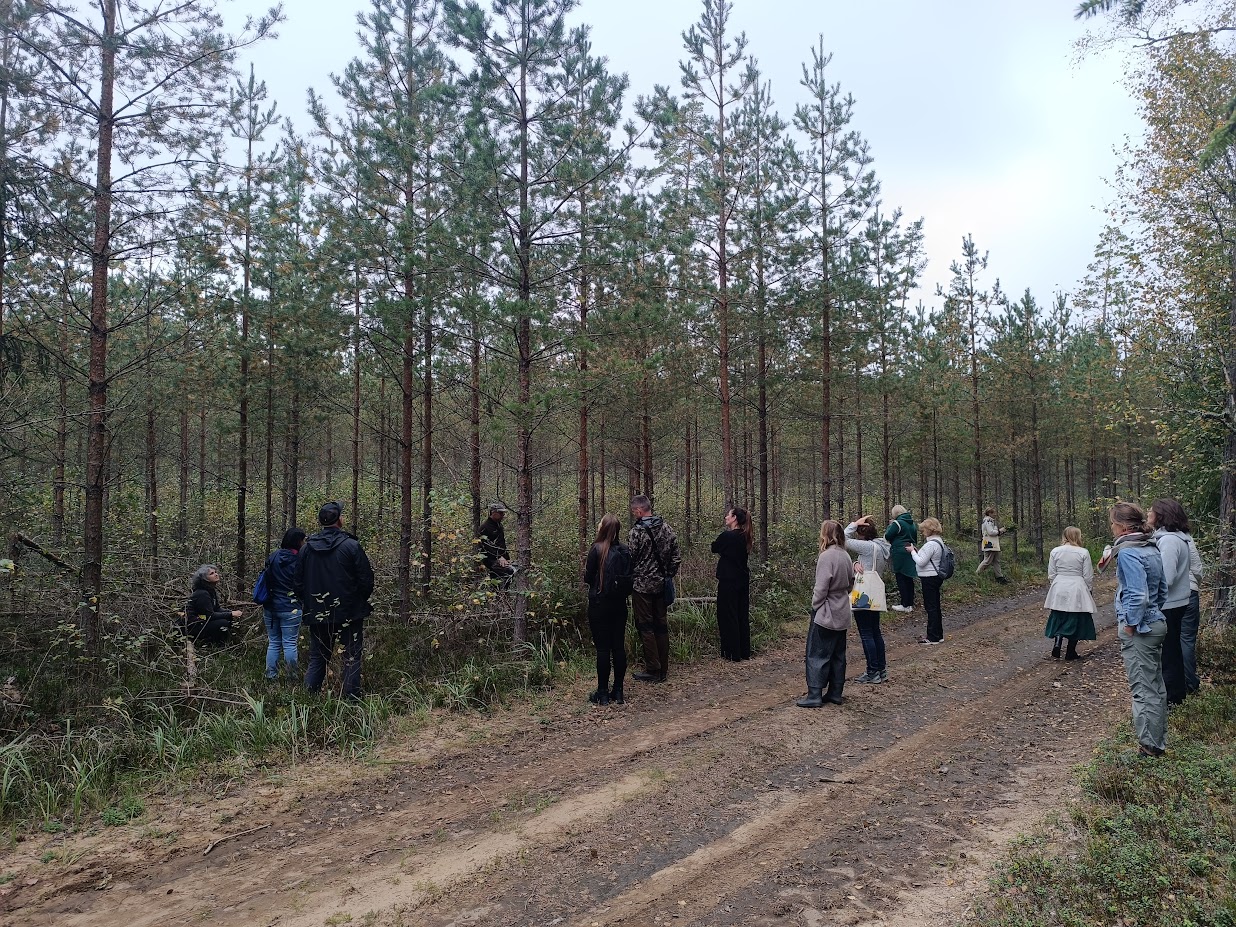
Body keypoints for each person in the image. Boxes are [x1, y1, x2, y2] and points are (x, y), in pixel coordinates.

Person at [296, 501, 374, 700]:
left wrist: (310, 605)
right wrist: (357, 602)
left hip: (318, 613)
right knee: (351, 656)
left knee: (318, 657)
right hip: (349, 613)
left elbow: (297, 582)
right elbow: (365, 579)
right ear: (339, 520)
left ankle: (308, 701)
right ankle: (351, 701)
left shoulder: (306, 549)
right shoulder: (351, 545)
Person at [1109, 501, 1169, 757]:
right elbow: (1162, 589)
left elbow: (1137, 594)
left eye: (1113, 523)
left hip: (1142, 629)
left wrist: (1131, 624)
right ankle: (1156, 742)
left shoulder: (1129, 552)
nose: (1111, 527)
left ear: (1122, 527)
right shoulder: (1150, 546)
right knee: (1155, 686)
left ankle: (1149, 749)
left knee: (1143, 690)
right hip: (1156, 622)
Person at [797, 520, 854, 708]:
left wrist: (816, 606)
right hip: (843, 610)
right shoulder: (845, 555)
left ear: (825, 534)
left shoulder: (826, 557)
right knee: (838, 654)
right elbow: (850, 583)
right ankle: (835, 693)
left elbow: (821, 588)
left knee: (817, 653)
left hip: (826, 612)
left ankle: (814, 694)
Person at [628, 494, 682, 683]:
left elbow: (631, 558)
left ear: (640, 510)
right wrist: (667, 575)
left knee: (646, 627)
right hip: (661, 585)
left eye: (634, 511)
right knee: (661, 625)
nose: (634, 514)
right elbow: (676, 557)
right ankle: (663, 668)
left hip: (642, 587)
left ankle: (653, 669)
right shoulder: (667, 528)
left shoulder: (637, 532)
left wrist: (633, 575)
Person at [583, 514, 631, 706]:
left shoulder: (596, 549)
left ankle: (602, 693)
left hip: (599, 605)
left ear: (603, 528)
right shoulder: (625, 550)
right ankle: (618, 691)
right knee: (618, 646)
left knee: (603, 649)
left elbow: (588, 578)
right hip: (620, 605)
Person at [1149, 498, 1192, 706]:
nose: (1148, 514)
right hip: (1176, 603)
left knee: (1168, 654)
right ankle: (1176, 694)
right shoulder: (1177, 538)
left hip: (1169, 605)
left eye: (1152, 511)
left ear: (1162, 515)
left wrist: (1150, 597)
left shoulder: (1168, 541)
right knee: (1172, 650)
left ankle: (1173, 698)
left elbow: (1167, 577)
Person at [844, 516, 891, 683]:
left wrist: (853, 524)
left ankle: (872, 672)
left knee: (866, 634)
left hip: (863, 595)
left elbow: (842, 538)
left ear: (860, 532)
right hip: (875, 594)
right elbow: (867, 563)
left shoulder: (866, 546)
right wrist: (856, 561)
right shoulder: (880, 546)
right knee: (875, 632)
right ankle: (881, 669)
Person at [1043, 526, 1097, 660]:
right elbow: (1088, 575)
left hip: (1059, 584)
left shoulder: (1055, 551)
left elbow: (1051, 573)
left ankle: (1058, 640)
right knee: (1076, 617)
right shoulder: (1083, 552)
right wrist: (1088, 590)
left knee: (1059, 615)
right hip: (1077, 585)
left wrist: (1056, 586)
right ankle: (1070, 651)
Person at [261, 528, 306, 680]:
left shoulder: (273, 556)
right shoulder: (300, 560)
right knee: (290, 644)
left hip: (270, 606)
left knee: (273, 643)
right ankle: (291, 677)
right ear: (298, 542)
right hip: (291, 608)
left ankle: (270, 676)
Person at [711, 507, 752, 661]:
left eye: (728, 515)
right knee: (741, 614)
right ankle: (744, 651)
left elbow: (714, 547)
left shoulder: (727, 536)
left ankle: (731, 652)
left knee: (728, 615)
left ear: (734, 518)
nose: (726, 517)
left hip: (728, 580)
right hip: (742, 579)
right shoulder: (745, 536)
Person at [908, 517, 947, 644]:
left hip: (929, 578)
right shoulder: (939, 542)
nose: (922, 532)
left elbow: (921, 561)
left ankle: (932, 637)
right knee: (935, 607)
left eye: (924, 529)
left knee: (931, 607)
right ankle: (938, 634)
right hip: (935, 577)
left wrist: (913, 552)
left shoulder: (931, 544)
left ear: (930, 530)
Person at [182, 564, 241, 644]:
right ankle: (214, 645)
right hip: (193, 627)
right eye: (212, 573)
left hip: (203, 620)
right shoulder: (202, 594)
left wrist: (231, 612)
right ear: (205, 579)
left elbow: (217, 609)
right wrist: (230, 614)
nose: (216, 574)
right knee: (223, 623)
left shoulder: (211, 591)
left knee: (228, 619)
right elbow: (210, 616)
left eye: (215, 572)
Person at [1182, 532, 1204, 696]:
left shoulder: (1156, 539)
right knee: (1187, 639)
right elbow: (1197, 569)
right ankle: (1190, 682)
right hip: (1191, 592)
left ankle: (1183, 683)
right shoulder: (1186, 538)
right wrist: (1194, 583)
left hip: (1172, 596)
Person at [884, 505, 918, 612]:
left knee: (901, 577)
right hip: (910, 550)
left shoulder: (896, 523)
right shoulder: (912, 523)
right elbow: (915, 537)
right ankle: (910, 604)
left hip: (899, 552)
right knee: (908, 577)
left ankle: (904, 604)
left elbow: (888, 536)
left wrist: (890, 526)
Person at [477, 503, 515, 583]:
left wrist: (506, 558)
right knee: (509, 571)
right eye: (500, 513)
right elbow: (485, 546)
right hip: (489, 559)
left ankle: (501, 594)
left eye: (503, 513)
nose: (503, 515)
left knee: (512, 570)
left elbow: (501, 543)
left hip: (500, 557)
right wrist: (499, 557)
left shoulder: (499, 526)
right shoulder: (484, 527)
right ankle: (499, 593)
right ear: (493, 513)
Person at [976, 508, 1009, 584]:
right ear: (989, 513)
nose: (995, 514)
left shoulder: (990, 521)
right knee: (987, 561)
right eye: (994, 513)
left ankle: (1000, 577)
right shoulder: (988, 520)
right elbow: (990, 532)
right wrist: (999, 531)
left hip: (993, 544)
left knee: (996, 561)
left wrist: (1000, 532)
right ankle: (977, 574)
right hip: (990, 544)